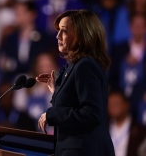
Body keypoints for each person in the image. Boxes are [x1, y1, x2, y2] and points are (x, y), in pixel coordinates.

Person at [36, 9, 115, 156]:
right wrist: (56, 92)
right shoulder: (75, 66)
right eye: (58, 30)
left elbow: (91, 114)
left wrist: (51, 114)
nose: (57, 36)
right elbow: (74, 104)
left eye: (64, 31)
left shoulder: (85, 66)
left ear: (81, 35)